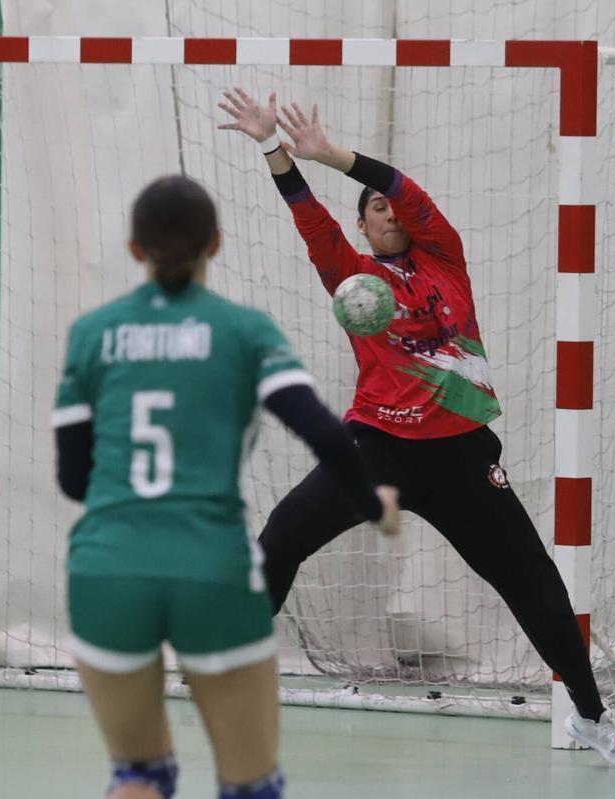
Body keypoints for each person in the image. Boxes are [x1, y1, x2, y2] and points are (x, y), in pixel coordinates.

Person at [216, 87, 615, 768]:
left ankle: (593, 715)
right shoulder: (351, 276)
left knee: (534, 584)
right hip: (377, 448)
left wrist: (330, 153)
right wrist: (274, 148)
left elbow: (400, 185)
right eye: (373, 211)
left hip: (460, 456)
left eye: (389, 206)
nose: (386, 211)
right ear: (361, 229)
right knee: (283, 533)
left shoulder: (445, 255)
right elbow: (310, 222)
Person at [52, 174, 400, 799]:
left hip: (106, 571)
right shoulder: (245, 332)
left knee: (139, 776)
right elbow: (322, 433)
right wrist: (374, 504)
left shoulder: (91, 335)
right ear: (215, 242)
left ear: (135, 249)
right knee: (250, 783)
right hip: (210, 570)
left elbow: (74, 479)